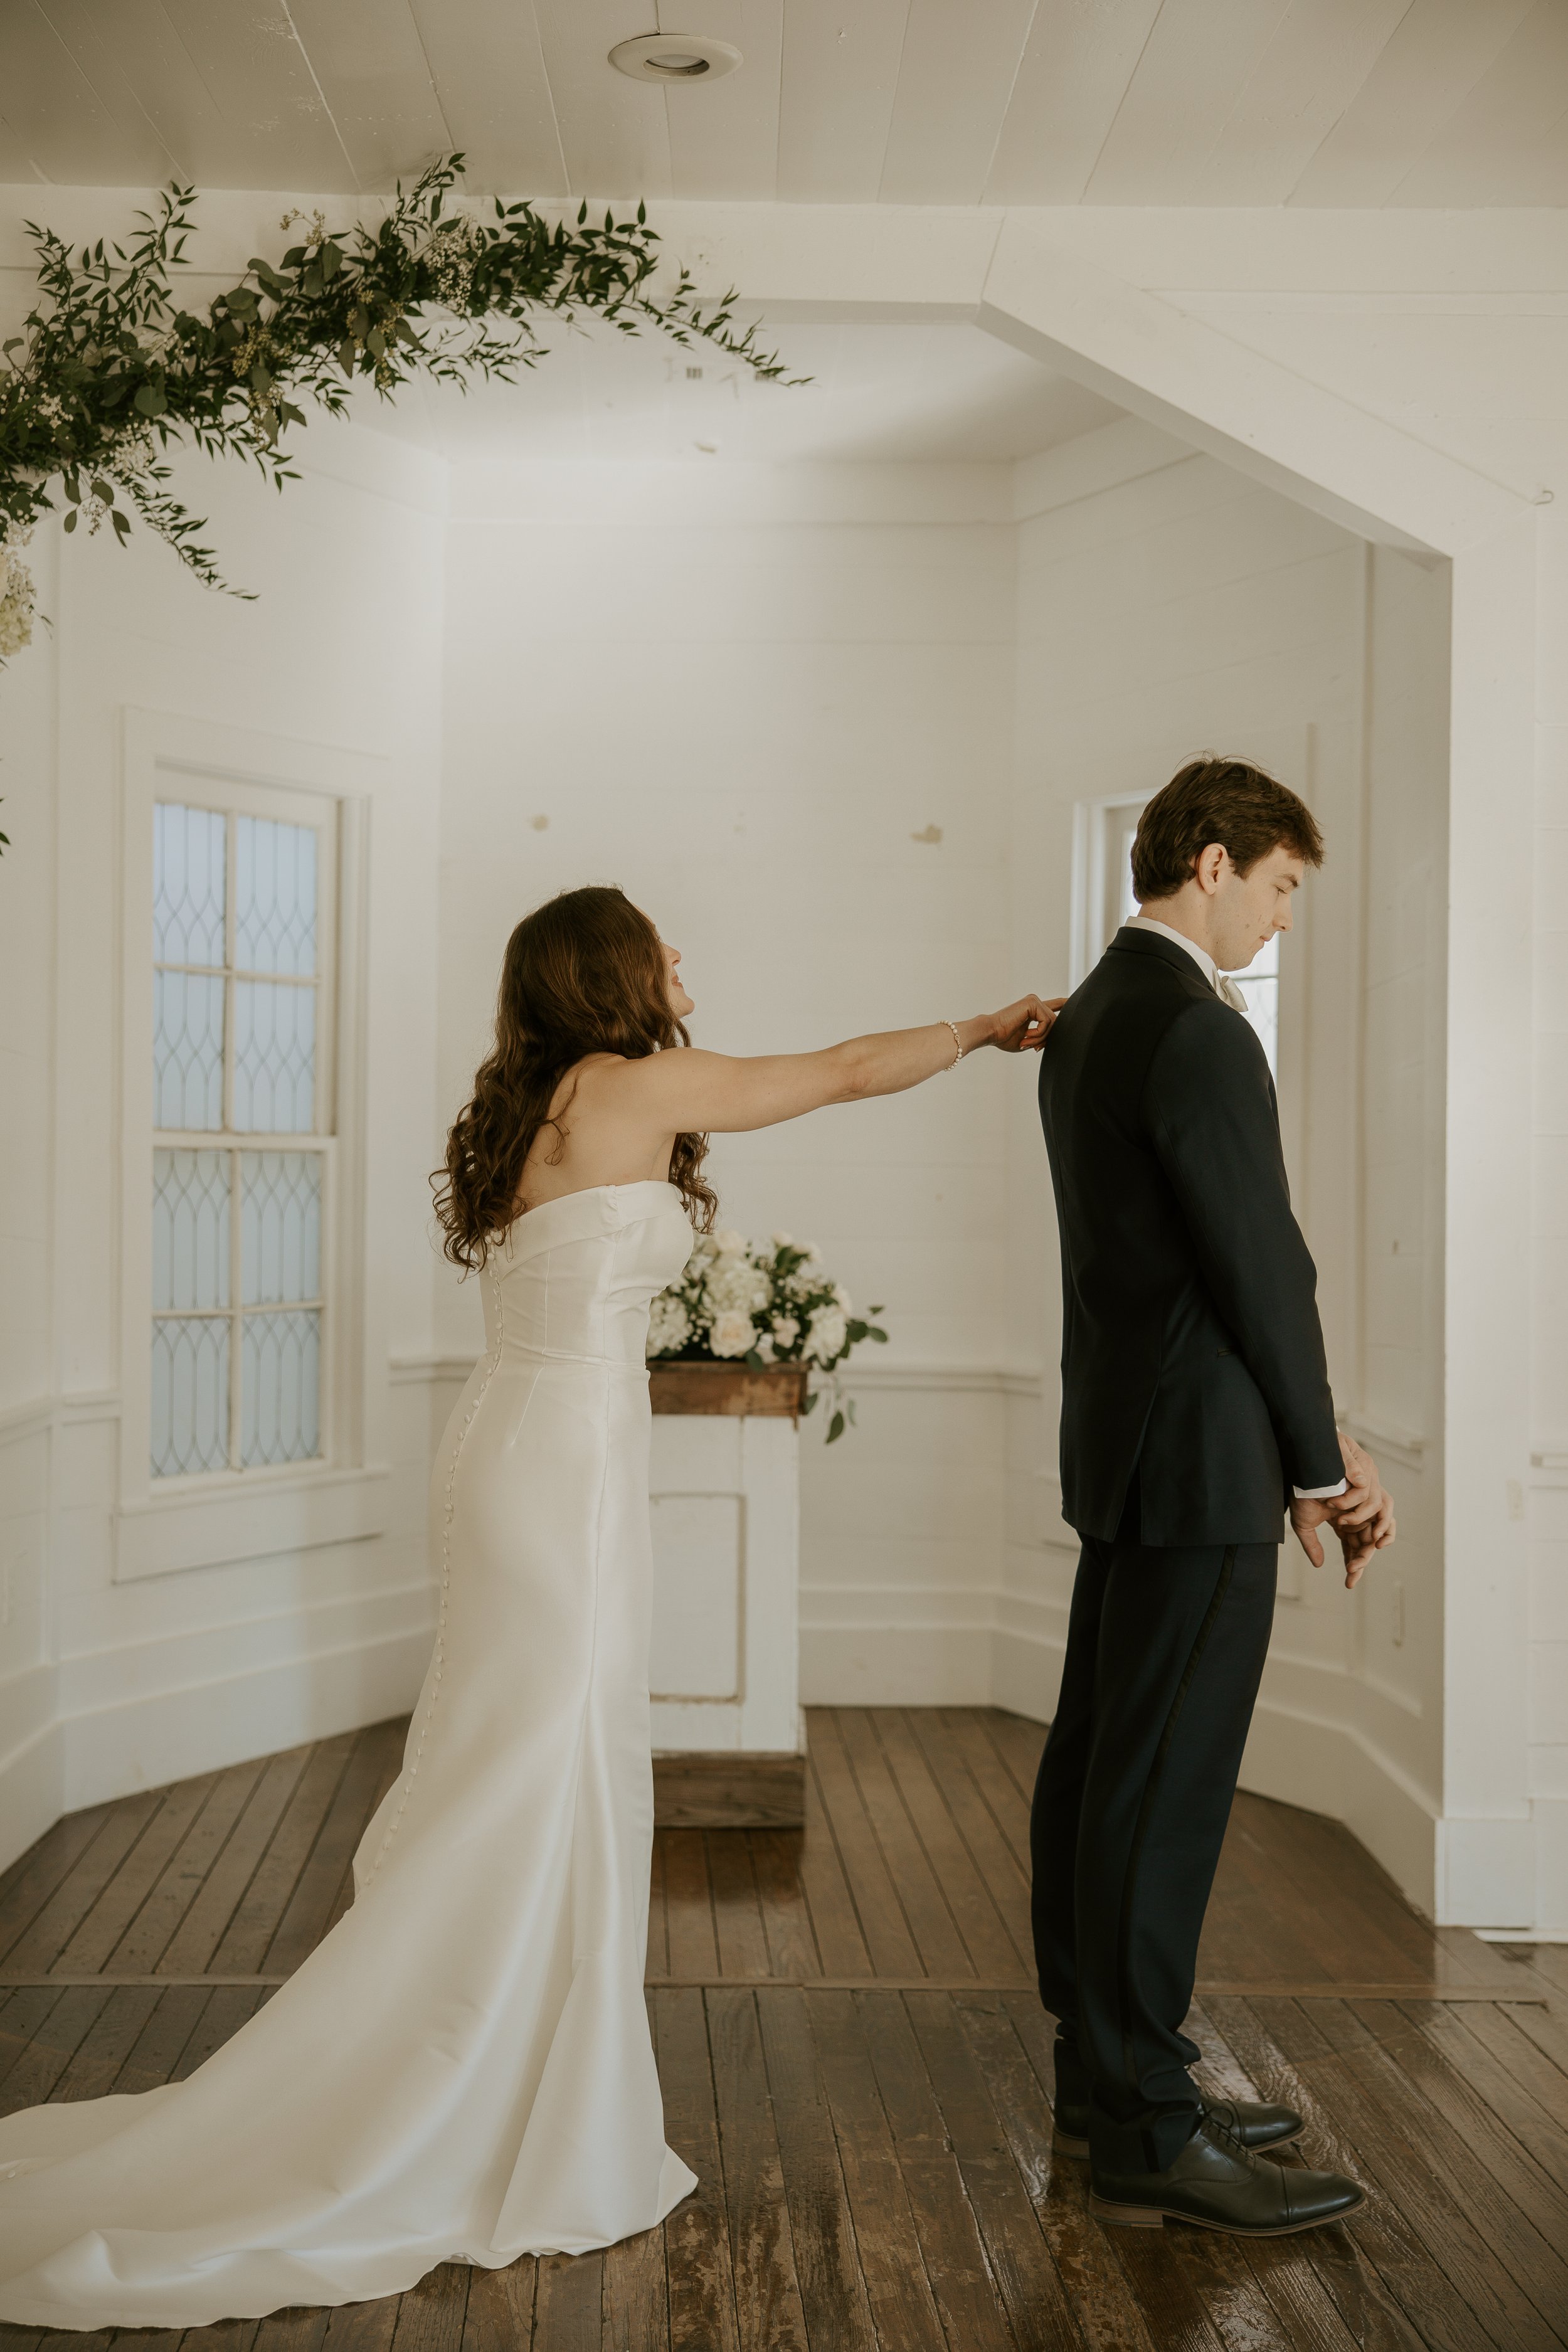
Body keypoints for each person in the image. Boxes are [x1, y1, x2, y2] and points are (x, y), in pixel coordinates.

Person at [0, 882, 1057, 2327]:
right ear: (609, 973)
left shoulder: (527, 1107)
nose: (680, 955)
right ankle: (468, 2095)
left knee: (515, 1758)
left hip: (507, 1448)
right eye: (658, 942)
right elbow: (840, 1071)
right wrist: (981, 1030)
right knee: (540, 1764)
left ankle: (500, 2070)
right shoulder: (634, 1086)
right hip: (562, 1465)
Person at [1030, 757, 1396, 2237]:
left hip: (1130, 1451)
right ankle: (1147, 2128)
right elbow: (1261, 1268)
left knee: (1100, 1770)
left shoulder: (1090, 1015)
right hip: (1198, 1466)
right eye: (1279, 884)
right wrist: (1321, 1464)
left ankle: (1106, 2076)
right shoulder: (1195, 1027)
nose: (1282, 916)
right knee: (1160, 1792)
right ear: (1209, 862)